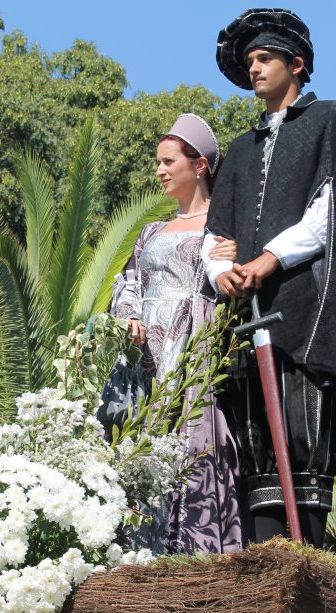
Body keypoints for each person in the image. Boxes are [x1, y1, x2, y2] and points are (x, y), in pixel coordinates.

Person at [204, 8, 336, 548]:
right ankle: (264, 577)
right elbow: (215, 231)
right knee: (256, 453)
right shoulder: (243, 147)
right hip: (244, 317)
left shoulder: (329, 120)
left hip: (308, 306)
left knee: (305, 441)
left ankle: (305, 569)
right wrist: (221, 270)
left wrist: (268, 260)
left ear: (296, 64)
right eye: (249, 60)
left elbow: (331, 211)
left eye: (265, 58)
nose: (254, 69)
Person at [111, 113, 246, 554]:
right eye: (159, 162)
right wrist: (129, 317)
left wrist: (239, 253)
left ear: (200, 165)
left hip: (192, 346)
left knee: (191, 444)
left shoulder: (223, 229)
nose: (160, 170)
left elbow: (232, 282)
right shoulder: (150, 231)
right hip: (144, 355)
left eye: (169, 161)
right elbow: (128, 281)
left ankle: (191, 551)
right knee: (140, 448)